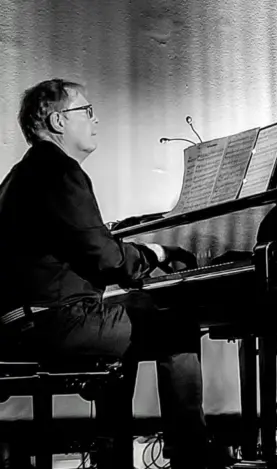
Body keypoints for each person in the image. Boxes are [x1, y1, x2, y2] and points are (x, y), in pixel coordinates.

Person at [0, 79, 209, 468]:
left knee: (130, 317)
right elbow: (106, 257)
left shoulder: (20, 175)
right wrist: (157, 252)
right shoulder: (59, 172)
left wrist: (132, 264)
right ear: (59, 120)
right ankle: (192, 457)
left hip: (19, 324)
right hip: (53, 324)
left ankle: (111, 454)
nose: (95, 119)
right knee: (176, 324)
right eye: (87, 111)